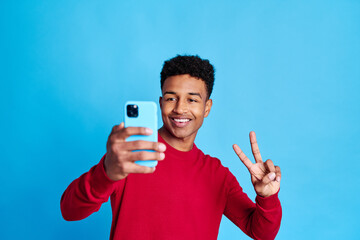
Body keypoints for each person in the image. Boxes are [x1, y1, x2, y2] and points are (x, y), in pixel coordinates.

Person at [60, 55, 282, 240]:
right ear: (160, 103)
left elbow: (261, 232)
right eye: (171, 98)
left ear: (207, 108)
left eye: (192, 100)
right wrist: (106, 174)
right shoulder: (130, 156)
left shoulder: (217, 175)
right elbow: (69, 210)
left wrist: (267, 198)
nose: (179, 109)